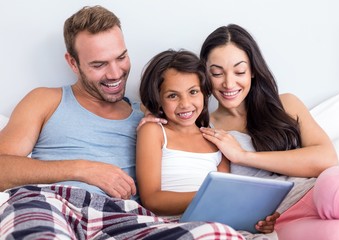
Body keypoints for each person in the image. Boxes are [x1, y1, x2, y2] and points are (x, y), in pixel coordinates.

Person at [0, 6, 246, 239]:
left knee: (215, 234)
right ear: (73, 62)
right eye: (99, 64)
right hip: (52, 203)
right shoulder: (46, 100)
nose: (115, 73)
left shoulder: (151, 118)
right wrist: (83, 169)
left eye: (121, 58)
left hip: (124, 217)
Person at [198, 23, 339, 240]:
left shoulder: (285, 104)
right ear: (204, 76)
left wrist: (243, 156)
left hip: (317, 190)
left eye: (239, 71)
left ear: (253, 71)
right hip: (281, 220)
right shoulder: (206, 130)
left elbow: (326, 159)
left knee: (335, 188)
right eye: (217, 73)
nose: (229, 83)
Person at [137, 49, 279, 234]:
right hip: (171, 224)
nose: (185, 104)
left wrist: (258, 220)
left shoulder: (216, 141)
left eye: (193, 92)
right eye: (173, 95)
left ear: (204, 93)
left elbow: (226, 206)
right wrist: (209, 197)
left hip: (214, 226)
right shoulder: (154, 131)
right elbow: (152, 199)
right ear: (158, 99)